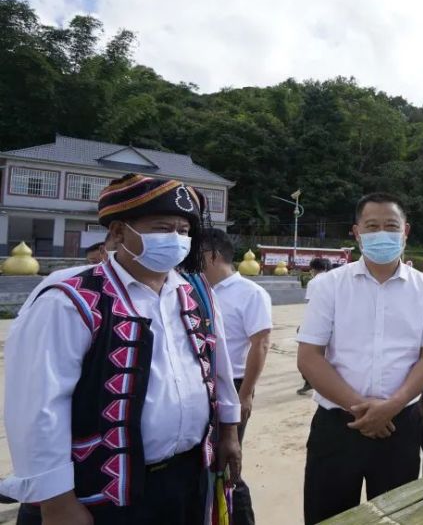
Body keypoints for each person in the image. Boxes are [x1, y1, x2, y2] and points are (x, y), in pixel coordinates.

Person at [1, 173, 242, 524]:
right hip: (102, 490)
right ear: (118, 233)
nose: (175, 239)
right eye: (162, 227)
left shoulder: (195, 294)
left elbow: (218, 370)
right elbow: (39, 405)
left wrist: (230, 433)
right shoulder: (73, 299)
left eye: (183, 231)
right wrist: (55, 501)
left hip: (187, 478)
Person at [296, 193, 423, 523]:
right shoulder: (329, 285)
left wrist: (391, 406)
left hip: (400, 425)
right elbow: (309, 357)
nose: (382, 233)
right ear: (356, 232)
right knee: (329, 516)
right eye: (372, 226)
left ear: (405, 231)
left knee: (397, 517)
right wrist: (361, 408)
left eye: (390, 226)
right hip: (338, 426)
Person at [203, 229, 273, 525]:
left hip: (233, 386)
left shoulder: (251, 293)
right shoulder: (196, 288)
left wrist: (245, 393)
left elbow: (261, 343)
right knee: (204, 463)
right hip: (202, 385)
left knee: (228, 464)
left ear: (214, 256)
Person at [17, 233, 116, 318]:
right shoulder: (63, 279)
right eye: (93, 262)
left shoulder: (124, 284)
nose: (95, 266)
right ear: (103, 251)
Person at [298, 257, 334, 395]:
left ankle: (310, 381)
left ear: (313, 269)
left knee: (311, 353)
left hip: (319, 322)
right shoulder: (336, 278)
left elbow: (311, 305)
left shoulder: (314, 282)